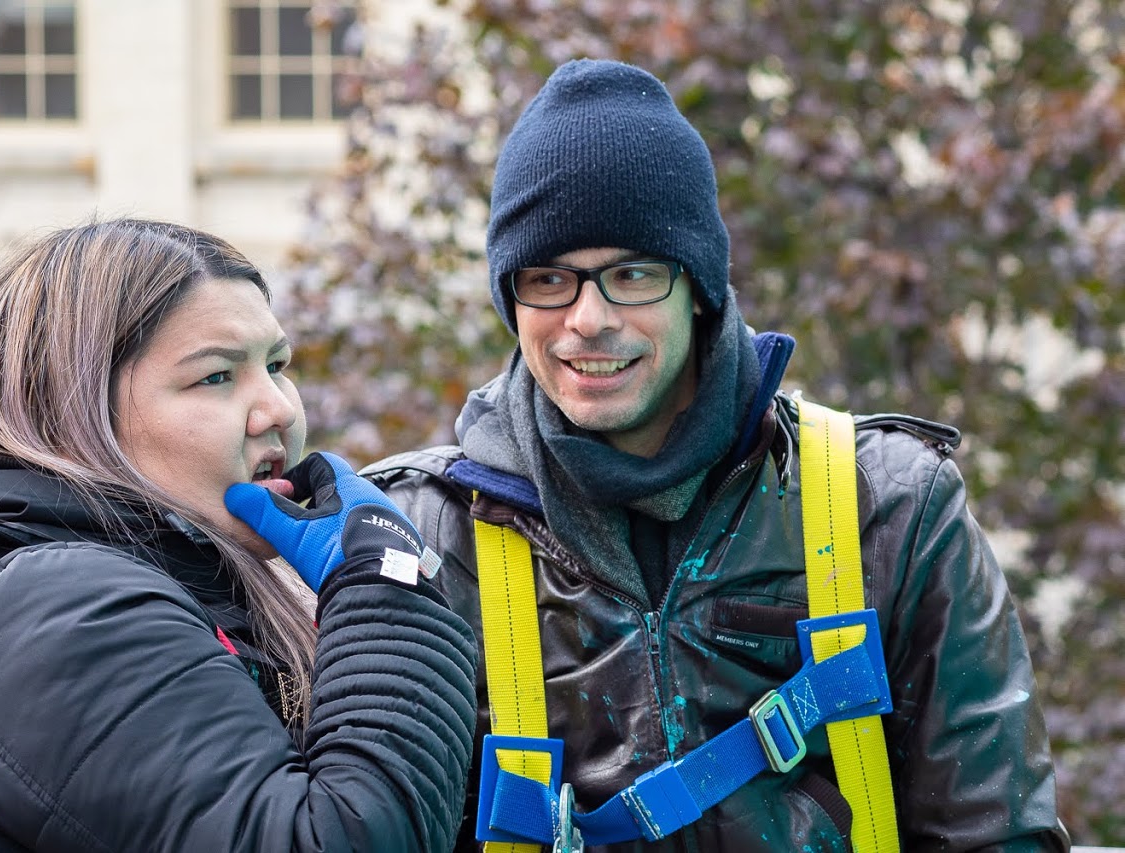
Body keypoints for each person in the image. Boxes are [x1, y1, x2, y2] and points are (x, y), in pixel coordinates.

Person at [362, 59, 1070, 851]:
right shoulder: (425, 540)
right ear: (510, 296)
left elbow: (996, 833)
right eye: (549, 278)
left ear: (697, 286)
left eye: (631, 273)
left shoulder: (894, 506)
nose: (588, 318)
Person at [0, 218, 477, 852]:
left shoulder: (157, 589)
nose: (280, 409)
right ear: (76, 412)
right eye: (216, 377)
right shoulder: (59, 610)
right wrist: (386, 584)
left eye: (276, 364)